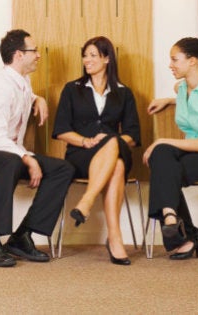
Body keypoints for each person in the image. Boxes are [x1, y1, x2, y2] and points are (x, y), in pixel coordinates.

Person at [0, 29, 75, 268]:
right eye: (34, 51)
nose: (38, 55)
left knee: (62, 168)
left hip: (7, 153)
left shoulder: (21, 81)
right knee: (10, 162)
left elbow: (23, 94)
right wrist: (28, 159)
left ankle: (22, 236)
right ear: (19, 55)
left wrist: (37, 98)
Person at [52, 36, 141, 265]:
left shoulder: (124, 92)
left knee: (114, 145)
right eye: (85, 55)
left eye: (93, 55)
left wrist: (110, 140)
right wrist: (85, 141)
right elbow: (61, 130)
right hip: (81, 154)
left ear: (107, 58)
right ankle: (115, 238)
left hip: (114, 149)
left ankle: (87, 202)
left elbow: (133, 135)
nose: (87, 60)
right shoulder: (72, 89)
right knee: (118, 165)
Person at [144, 37, 198, 260]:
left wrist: (160, 141)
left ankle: (185, 233)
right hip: (191, 151)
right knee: (163, 158)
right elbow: (187, 95)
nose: (170, 65)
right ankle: (171, 217)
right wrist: (168, 100)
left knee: (163, 160)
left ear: (192, 61)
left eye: (175, 59)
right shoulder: (181, 87)